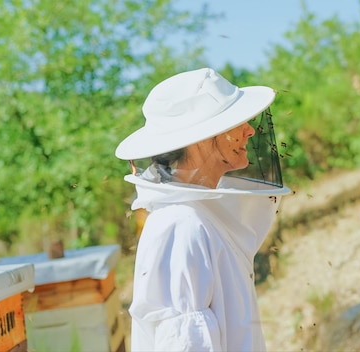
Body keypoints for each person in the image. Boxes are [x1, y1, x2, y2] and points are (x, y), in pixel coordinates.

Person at [115, 68, 290, 351]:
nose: (249, 130)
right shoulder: (182, 224)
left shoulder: (197, 216)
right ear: (200, 138)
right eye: (236, 122)